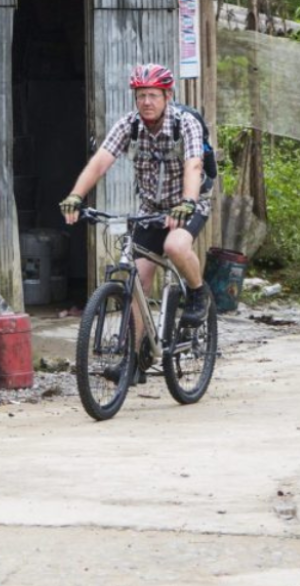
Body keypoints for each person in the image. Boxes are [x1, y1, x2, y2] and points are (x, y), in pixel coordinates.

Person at [60, 63, 211, 383]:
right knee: (136, 279)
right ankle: (133, 360)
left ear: (167, 96)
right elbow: (100, 162)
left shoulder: (184, 124)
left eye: (153, 95)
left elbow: (194, 165)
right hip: (151, 209)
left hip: (189, 202)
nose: (146, 102)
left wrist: (187, 202)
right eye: (141, 95)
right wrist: (75, 196)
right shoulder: (129, 125)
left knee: (175, 245)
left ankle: (198, 293)